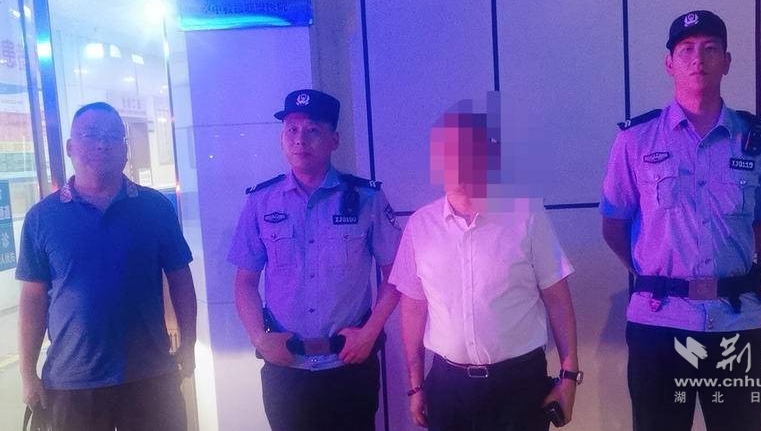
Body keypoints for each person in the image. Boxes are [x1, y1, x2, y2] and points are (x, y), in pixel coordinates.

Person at [600, 10, 761, 431]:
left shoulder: (758, 139)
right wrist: (657, 269)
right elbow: (614, 225)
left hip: (737, 323)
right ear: (669, 63)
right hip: (658, 325)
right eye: (685, 50)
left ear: (727, 61)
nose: (697, 59)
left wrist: (723, 259)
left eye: (710, 48)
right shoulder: (635, 140)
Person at [390, 101, 581, 430]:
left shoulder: (527, 215)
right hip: (447, 387)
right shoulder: (420, 226)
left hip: (519, 385)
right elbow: (413, 309)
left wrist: (569, 377)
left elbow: (558, 300)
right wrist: (416, 385)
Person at [17, 102, 196, 431]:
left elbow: (181, 279)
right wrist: (28, 375)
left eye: (113, 136)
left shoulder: (154, 207)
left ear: (125, 149)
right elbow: (32, 299)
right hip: (72, 384)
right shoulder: (42, 217)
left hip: (151, 376)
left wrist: (189, 343)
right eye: (91, 135)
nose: (103, 144)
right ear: (70, 147)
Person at [229, 88, 401, 431]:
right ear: (282, 138)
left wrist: (370, 333)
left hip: (349, 365)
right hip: (287, 369)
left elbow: (396, 275)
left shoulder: (366, 198)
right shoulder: (261, 202)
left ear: (334, 140)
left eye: (313, 130)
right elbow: (244, 283)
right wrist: (258, 338)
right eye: (291, 130)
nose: (300, 140)